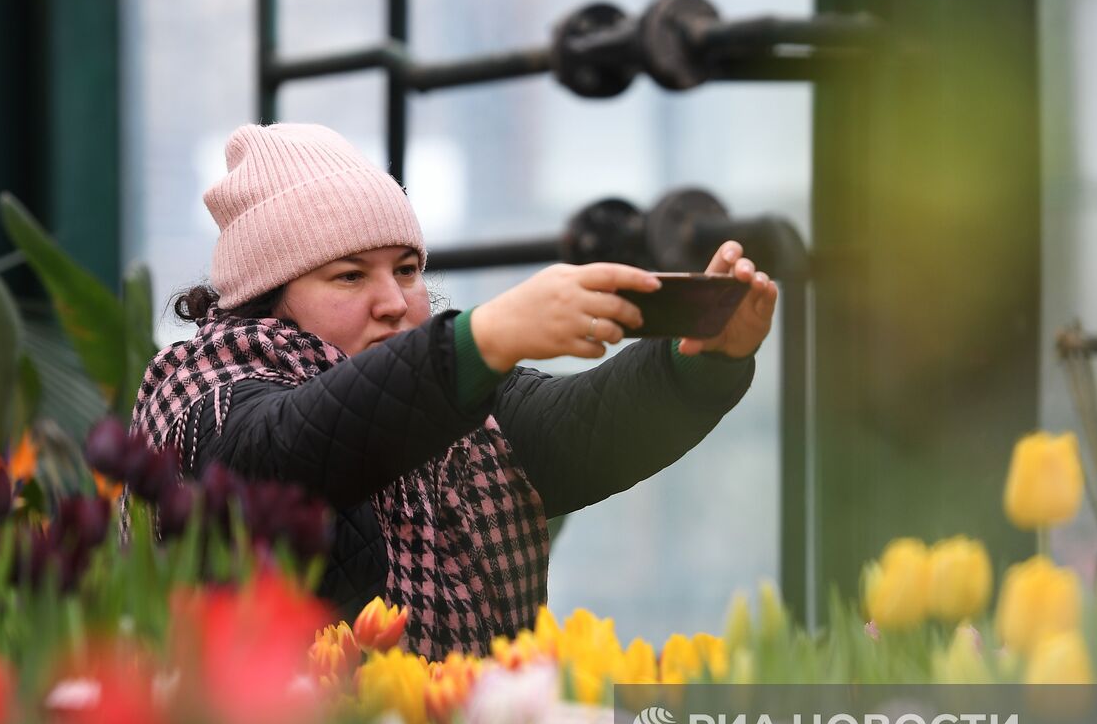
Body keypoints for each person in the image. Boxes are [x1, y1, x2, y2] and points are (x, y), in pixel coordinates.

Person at [131, 123, 777, 658]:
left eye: (407, 269)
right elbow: (290, 448)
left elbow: (583, 427)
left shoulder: (452, 403)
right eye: (349, 276)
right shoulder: (199, 394)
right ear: (267, 302)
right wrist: (486, 337)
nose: (393, 301)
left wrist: (698, 362)